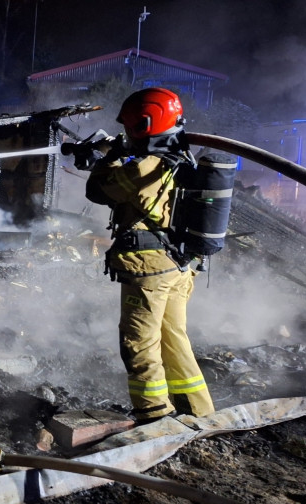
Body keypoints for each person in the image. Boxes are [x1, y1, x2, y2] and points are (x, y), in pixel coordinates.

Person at [82, 87, 215, 424]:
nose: (127, 133)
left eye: (130, 127)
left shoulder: (147, 166)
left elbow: (98, 190)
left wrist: (108, 155)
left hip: (150, 269)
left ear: (145, 124)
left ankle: (154, 415)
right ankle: (197, 410)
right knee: (174, 340)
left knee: (138, 343)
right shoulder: (180, 156)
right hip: (178, 265)